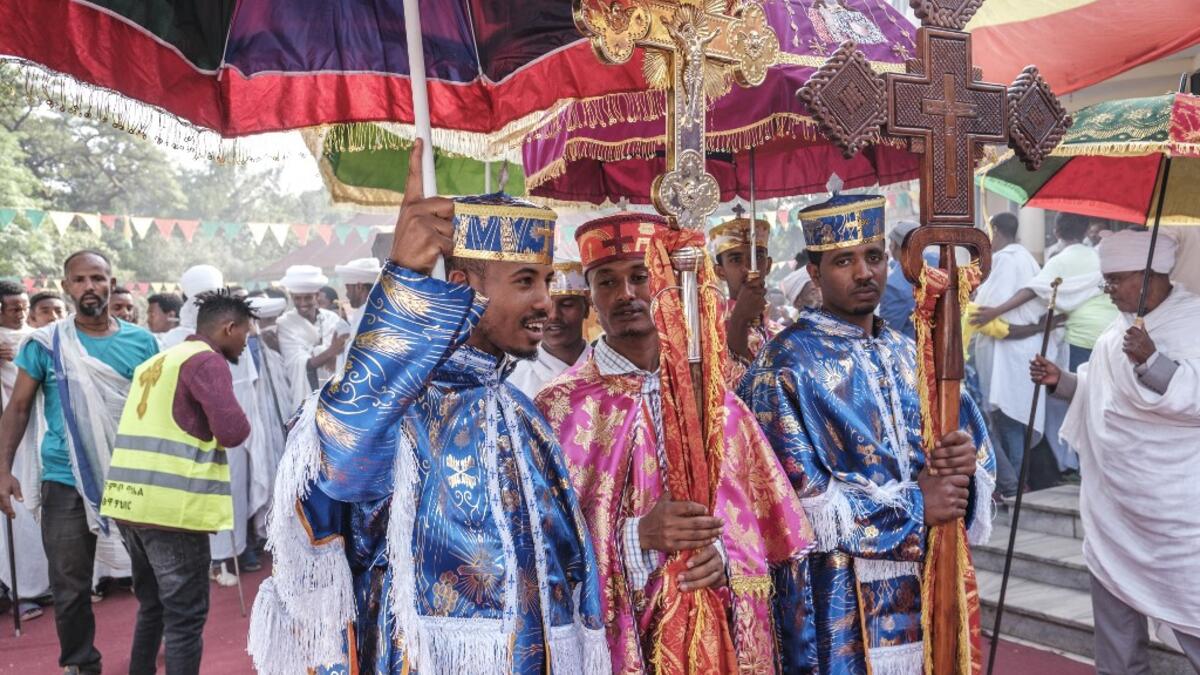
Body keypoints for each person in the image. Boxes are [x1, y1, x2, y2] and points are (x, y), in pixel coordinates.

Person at [248, 155, 608, 675]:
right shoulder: (400, 408)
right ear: (464, 284)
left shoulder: (518, 411)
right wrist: (405, 281)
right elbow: (341, 456)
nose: (546, 304)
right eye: (526, 281)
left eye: (547, 282)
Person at [535, 212, 814, 673]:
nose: (626, 294)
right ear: (590, 296)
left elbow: (769, 529)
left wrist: (723, 555)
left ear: (664, 281)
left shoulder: (718, 401)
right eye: (607, 282)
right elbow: (546, 546)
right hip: (619, 644)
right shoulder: (557, 408)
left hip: (714, 628)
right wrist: (635, 537)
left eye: (640, 276)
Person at [739, 195, 996, 674]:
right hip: (837, 598)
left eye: (874, 256)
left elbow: (972, 451)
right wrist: (920, 505)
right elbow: (791, 506)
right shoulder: (783, 366)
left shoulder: (911, 352)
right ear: (814, 272)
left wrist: (964, 462)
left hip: (926, 580)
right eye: (843, 261)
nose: (864, 273)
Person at [1030, 230, 1200, 672]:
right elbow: (1098, 389)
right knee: (1117, 645)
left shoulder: (1193, 322)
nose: (1109, 291)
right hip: (1115, 511)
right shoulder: (1116, 330)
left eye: (1116, 280)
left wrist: (1152, 362)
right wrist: (1061, 381)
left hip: (1176, 518)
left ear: (1149, 276)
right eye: (1105, 281)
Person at [0, 250, 160, 674]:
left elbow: (158, 411)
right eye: (80, 280)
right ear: (67, 285)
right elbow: (17, 409)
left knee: (150, 579)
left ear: (111, 282)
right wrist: (2, 470)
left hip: (130, 478)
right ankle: (80, 665)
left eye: (97, 278)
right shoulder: (46, 342)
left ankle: (143, 662)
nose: (89, 287)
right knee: (69, 587)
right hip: (64, 478)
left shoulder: (142, 342)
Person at [100, 291, 253, 675]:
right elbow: (233, 431)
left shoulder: (159, 359)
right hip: (172, 509)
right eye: (245, 335)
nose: (246, 344)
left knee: (152, 606)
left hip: (128, 502)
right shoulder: (207, 361)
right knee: (185, 617)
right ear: (228, 328)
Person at [162, 265, 266, 581]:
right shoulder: (173, 339)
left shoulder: (231, 331)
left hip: (231, 425)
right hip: (192, 429)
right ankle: (213, 559)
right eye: (199, 297)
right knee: (202, 492)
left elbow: (248, 383)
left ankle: (237, 548)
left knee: (234, 487)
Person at [971, 213, 1067, 497]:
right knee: (1016, 423)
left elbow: (987, 317)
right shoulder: (1028, 259)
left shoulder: (1005, 260)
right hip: (1026, 353)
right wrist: (1039, 327)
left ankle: (1015, 489)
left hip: (1008, 357)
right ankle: (1019, 484)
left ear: (996, 230)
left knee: (1008, 422)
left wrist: (980, 307)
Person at [975, 212, 1118, 372]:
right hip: (1110, 333)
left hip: (1081, 337)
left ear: (1056, 231)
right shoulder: (1099, 258)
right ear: (1086, 231)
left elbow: (1033, 290)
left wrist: (995, 311)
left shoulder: (1060, 260)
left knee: (1080, 391)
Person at [0, 280, 49, 623]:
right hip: (8, 437)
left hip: (41, 432)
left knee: (45, 507)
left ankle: (49, 583)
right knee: (16, 517)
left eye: (22, 306)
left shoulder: (37, 339)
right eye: (12, 308)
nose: (19, 313)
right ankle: (23, 591)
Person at [509, 259, 592, 399]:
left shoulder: (609, 371)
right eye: (546, 305)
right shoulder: (514, 381)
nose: (554, 315)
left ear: (586, 309)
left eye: (567, 304)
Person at [275, 265, 349, 411]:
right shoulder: (285, 324)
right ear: (291, 297)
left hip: (335, 394)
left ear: (317, 296)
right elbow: (301, 364)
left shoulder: (332, 319)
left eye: (308, 297)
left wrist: (330, 354)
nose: (303, 303)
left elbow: (344, 357)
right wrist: (331, 351)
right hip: (305, 398)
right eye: (298, 298)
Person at [709, 215, 778, 367]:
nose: (748, 267)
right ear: (720, 272)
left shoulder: (782, 334)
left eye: (757, 256)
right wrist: (739, 319)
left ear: (768, 265)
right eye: (735, 259)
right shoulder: (709, 332)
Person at [879, 220, 938, 339]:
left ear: (895, 245)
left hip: (913, 351)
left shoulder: (894, 286)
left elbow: (888, 334)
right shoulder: (937, 261)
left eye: (891, 242)